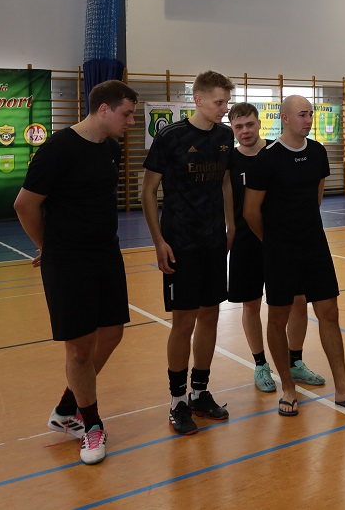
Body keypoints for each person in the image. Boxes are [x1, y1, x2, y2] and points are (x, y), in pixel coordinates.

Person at [14, 80, 138, 465]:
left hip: (106, 253)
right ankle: (91, 423)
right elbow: (24, 205)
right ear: (104, 109)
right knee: (80, 348)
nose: (131, 122)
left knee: (112, 333)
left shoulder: (111, 148)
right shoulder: (58, 149)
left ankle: (68, 408)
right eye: (127, 114)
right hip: (68, 260)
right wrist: (48, 246)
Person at [245, 96, 345, 416]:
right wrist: (273, 243)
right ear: (285, 119)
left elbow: (315, 199)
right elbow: (250, 212)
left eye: (310, 114)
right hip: (280, 251)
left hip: (315, 246)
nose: (308, 119)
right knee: (278, 318)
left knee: (329, 312)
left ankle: (343, 388)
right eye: (302, 114)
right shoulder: (266, 159)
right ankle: (288, 388)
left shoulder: (318, 152)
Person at [142, 70, 234, 435]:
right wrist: (158, 241)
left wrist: (230, 225)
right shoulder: (171, 137)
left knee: (210, 316)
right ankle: (177, 400)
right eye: (219, 102)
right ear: (198, 99)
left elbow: (225, 182)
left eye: (226, 102)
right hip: (180, 243)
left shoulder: (225, 137)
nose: (224, 109)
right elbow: (148, 191)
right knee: (184, 323)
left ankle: (199, 392)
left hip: (213, 243)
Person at [227, 103, 323, 395]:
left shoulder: (276, 153)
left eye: (250, 124)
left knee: (298, 301)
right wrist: (230, 232)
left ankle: (295, 361)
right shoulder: (230, 161)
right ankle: (260, 364)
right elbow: (229, 202)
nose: (245, 131)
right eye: (238, 127)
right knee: (251, 304)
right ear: (232, 129)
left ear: (259, 124)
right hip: (247, 242)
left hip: (284, 243)